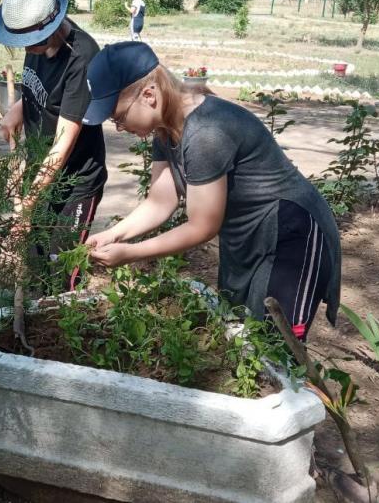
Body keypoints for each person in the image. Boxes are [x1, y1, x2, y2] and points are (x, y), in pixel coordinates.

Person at [81, 42, 341, 340]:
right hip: (248, 237)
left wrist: (131, 253)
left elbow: (202, 226)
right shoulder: (166, 129)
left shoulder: (206, 133)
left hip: (292, 237)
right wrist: (114, 234)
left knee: (276, 345)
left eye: (118, 117)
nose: (119, 127)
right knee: (241, 339)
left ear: (149, 95)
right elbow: (159, 202)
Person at [0, 0, 107, 293]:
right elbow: (35, 87)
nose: (28, 49)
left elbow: (62, 143)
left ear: (52, 25)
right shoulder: (36, 36)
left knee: (62, 269)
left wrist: (28, 203)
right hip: (40, 171)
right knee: (35, 257)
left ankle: (63, 326)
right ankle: (36, 315)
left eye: (34, 42)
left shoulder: (82, 57)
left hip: (75, 181)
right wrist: (16, 110)